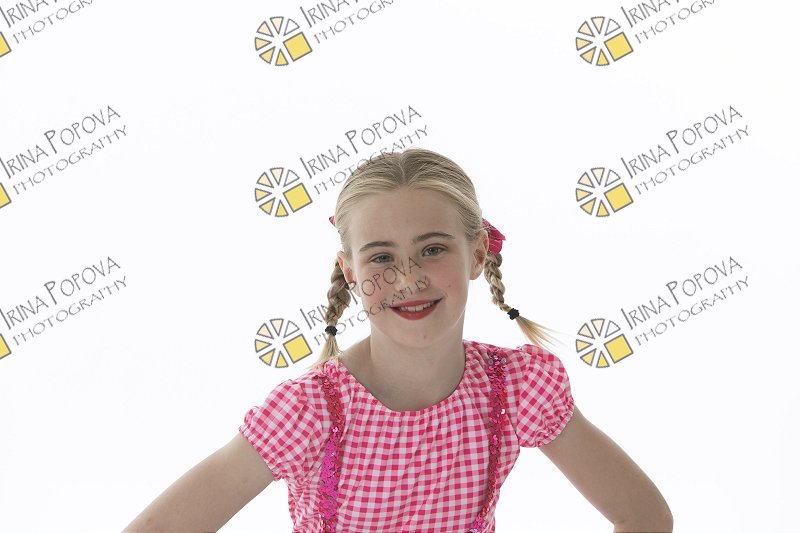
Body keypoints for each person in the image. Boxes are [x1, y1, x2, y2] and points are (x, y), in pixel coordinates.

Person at [123, 148, 673, 533]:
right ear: (351, 272)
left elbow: (645, 517)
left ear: (477, 253)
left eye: (433, 249)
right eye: (382, 257)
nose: (408, 279)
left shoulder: (516, 389)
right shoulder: (311, 411)